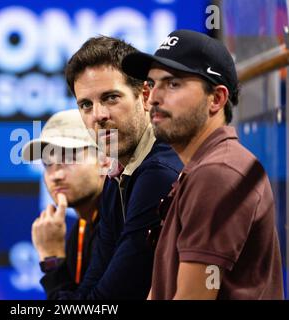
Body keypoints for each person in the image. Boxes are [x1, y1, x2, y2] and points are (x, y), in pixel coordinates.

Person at [122, 29, 284, 299]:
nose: (154, 99)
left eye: (173, 84)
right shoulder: (201, 168)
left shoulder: (218, 172)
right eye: (153, 83)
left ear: (217, 99)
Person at [58, 36, 183, 299]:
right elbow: (92, 287)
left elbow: (110, 299)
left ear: (146, 96)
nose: (98, 115)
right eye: (86, 105)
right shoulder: (117, 176)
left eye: (111, 98)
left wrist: (50, 263)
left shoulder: (160, 172)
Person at [22, 109, 108, 299]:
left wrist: (51, 256)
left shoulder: (118, 221)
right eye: (47, 164)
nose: (56, 175)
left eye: (69, 159)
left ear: (104, 161)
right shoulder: (81, 228)